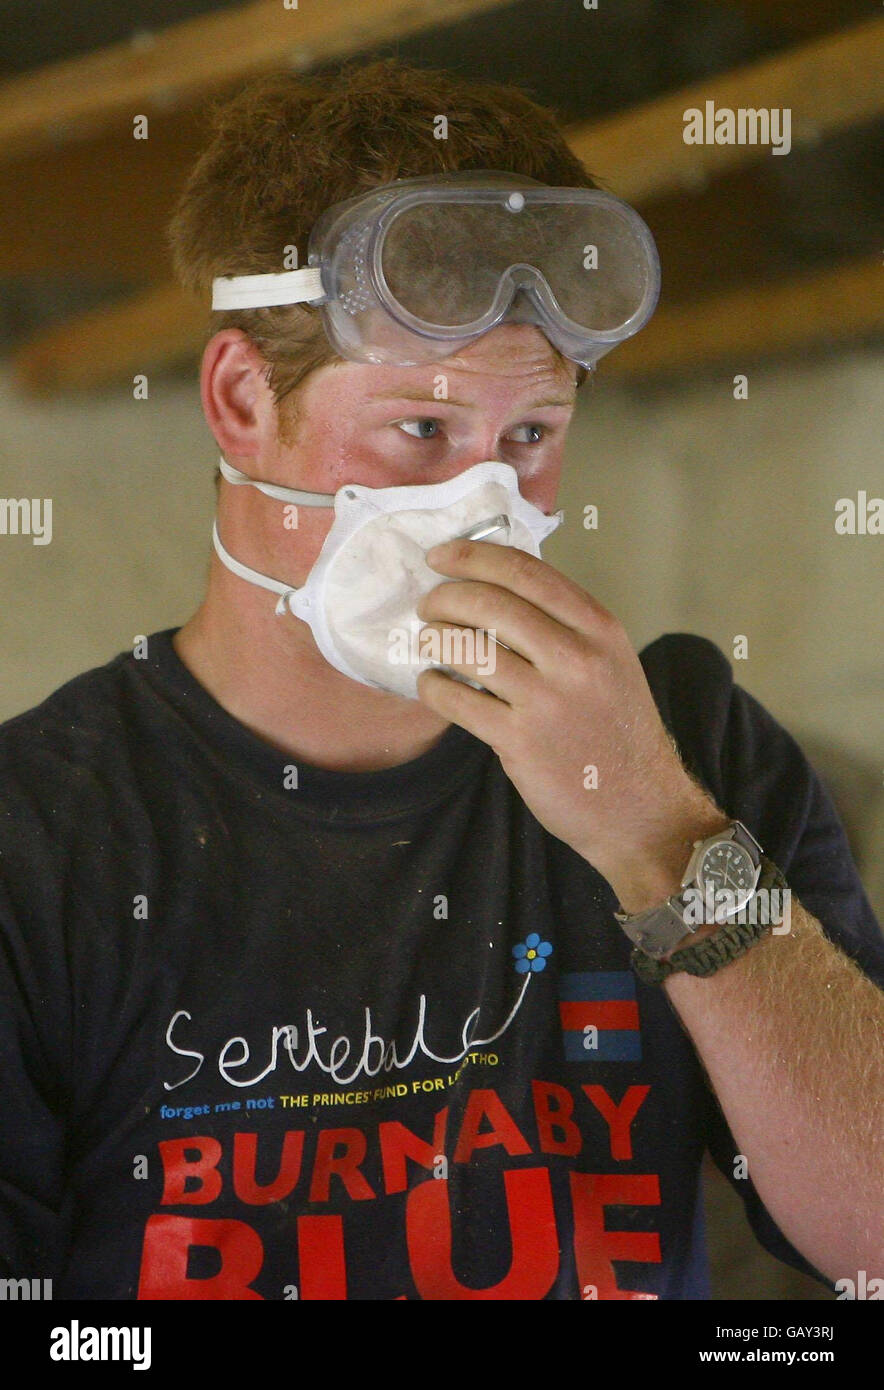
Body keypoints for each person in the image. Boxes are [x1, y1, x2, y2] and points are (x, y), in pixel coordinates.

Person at [1, 58, 882, 1303]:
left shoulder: (684, 745)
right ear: (244, 401)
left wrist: (659, 840)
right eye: (421, 431)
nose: (483, 505)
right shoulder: (42, 837)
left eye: (528, 437)